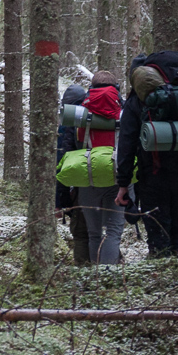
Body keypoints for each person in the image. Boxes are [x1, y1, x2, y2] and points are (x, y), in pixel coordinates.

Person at [114, 52, 178, 259]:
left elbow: (126, 144)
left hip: (153, 175)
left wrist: (123, 184)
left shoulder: (138, 101)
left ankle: (162, 276)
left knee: (158, 234)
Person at [75, 71, 125, 264]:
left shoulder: (80, 111)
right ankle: (109, 274)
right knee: (113, 231)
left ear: (91, 88)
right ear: (116, 88)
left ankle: (96, 275)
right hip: (117, 175)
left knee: (94, 233)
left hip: (88, 174)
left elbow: (76, 141)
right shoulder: (123, 111)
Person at [56, 83, 91, 265]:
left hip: (81, 184)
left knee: (81, 232)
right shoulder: (98, 117)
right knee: (107, 230)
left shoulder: (68, 124)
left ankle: (84, 270)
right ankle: (110, 267)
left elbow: (60, 163)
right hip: (109, 178)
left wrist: (59, 201)